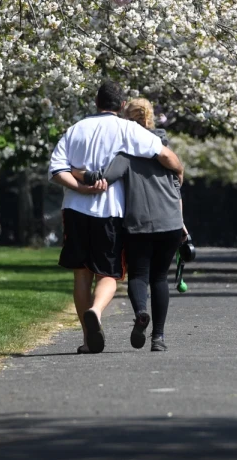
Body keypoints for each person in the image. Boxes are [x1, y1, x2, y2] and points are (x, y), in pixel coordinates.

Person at [49, 81, 184, 354]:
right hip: (111, 211)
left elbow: (57, 170)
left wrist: (80, 187)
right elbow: (165, 154)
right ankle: (97, 312)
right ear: (121, 106)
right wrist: (179, 172)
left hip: (75, 210)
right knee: (109, 273)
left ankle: (88, 340)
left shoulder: (75, 130)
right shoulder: (128, 129)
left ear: (96, 103)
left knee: (81, 274)